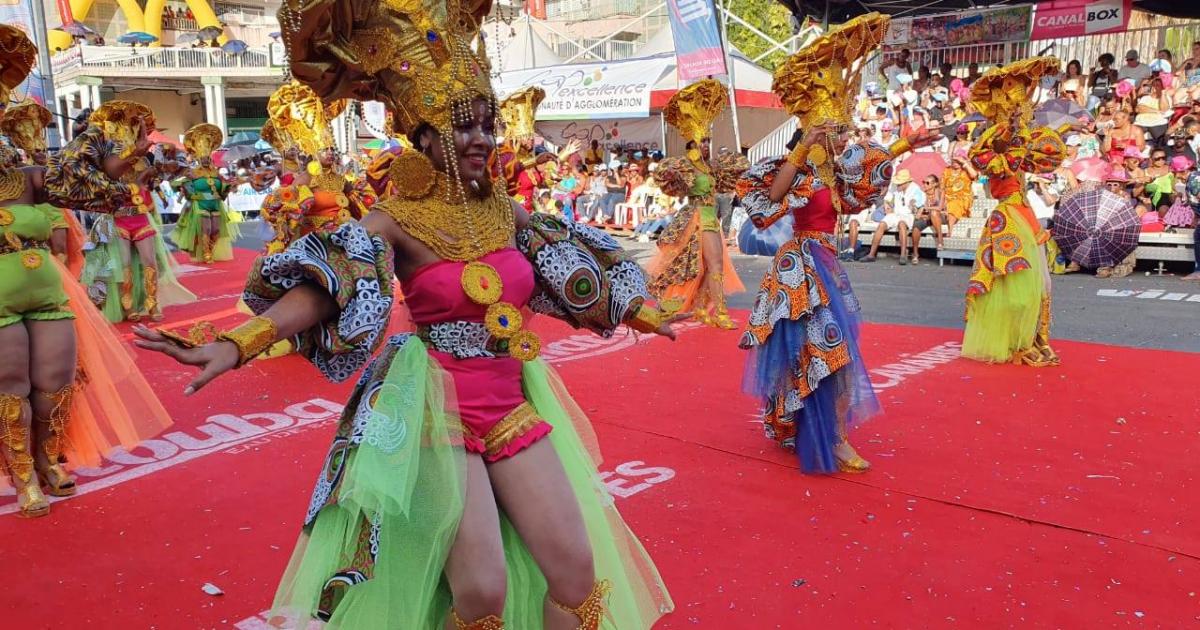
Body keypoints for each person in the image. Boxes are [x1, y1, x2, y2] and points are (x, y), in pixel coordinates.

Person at [133, 0, 675, 626]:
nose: (481, 140)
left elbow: (568, 266)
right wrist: (237, 344)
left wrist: (640, 310)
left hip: (509, 400)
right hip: (433, 407)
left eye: (486, 125)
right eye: (462, 127)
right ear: (422, 136)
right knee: (482, 590)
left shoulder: (505, 212)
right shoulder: (394, 220)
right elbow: (328, 285)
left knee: (576, 574)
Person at [736, 13, 939, 474]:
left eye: (839, 128)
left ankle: (833, 430)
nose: (839, 133)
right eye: (831, 127)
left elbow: (862, 183)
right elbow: (772, 196)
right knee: (822, 352)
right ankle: (816, 431)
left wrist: (907, 145)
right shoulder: (803, 168)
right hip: (800, 271)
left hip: (828, 264)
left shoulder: (834, 172)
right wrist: (805, 144)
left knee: (838, 351)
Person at [7, 25, 172, 517]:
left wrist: (120, 153)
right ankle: (22, 475)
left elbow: (84, 186)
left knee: (55, 378)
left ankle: (49, 457)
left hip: (44, 287)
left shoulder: (28, 174)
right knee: (10, 383)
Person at [962, 57, 1068, 367]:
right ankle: (1015, 341)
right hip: (1008, 216)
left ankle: (1035, 339)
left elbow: (1047, 156)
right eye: (1010, 100)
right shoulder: (991, 143)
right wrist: (1011, 133)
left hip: (1025, 213)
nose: (1016, 108)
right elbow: (996, 159)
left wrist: (1033, 131)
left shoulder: (1024, 137)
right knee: (1014, 286)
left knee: (1042, 284)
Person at [647, 79, 746, 329]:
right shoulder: (686, 165)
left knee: (708, 266)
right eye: (701, 141)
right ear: (691, 143)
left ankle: (702, 308)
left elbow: (734, 174)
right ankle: (720, 313)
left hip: (710, 217)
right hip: (696, 218)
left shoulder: (710, 166)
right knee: (711, 265)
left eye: (707, 141)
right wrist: (684, 171)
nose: (705, 145)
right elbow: (665, 175)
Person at [171, 123, 240, 263]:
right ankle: (206, 253)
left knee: (216, 230)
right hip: (200, 203)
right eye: (203, 157)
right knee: (206, 229)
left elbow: (223, 188)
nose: (205, 159)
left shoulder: (216, 172)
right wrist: (187, 189)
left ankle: (210, 249)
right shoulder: (192, 172)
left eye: (207, 156)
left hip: (215, 203)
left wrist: (230, 186)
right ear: (198, 157)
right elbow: (176, 182)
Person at [859, 168, 920, 263]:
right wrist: (887, 206)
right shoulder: (894, 186)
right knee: (882, 224)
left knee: (902, 224)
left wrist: (914, 205)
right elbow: (887, 199)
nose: (898, 184)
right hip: (895, 213)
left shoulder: (915, 188)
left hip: (907, 214)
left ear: (906, 183)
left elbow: (918, 203)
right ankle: (871, 254)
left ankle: (903, 255)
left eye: (900, 183)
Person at [911, 173, 945, 261]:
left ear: (935, 184)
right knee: (916, 228)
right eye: (924, 182)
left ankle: (940, 240)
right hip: (925, 216)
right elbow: (915, 209)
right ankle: (915, 253)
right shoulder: (922, 193)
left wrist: (925, 208)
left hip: (938, 215)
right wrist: (915, 207)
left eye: (927, 183)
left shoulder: (940, 192)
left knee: (934, 213)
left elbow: (940, 208)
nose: (924, 185)